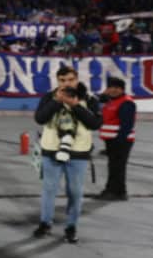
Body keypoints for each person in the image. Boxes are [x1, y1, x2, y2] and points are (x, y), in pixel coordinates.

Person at [33, 65, 102, 242]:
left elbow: (95, 123)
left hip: (78, 152)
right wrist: (56, 101)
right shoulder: (49, 97)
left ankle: (71, 227)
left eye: (70, 79)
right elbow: (40, 118)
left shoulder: (88, 98)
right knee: (49, 190)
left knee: (75, 192)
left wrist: (75, 105)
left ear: (77, 79)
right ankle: (45, 223)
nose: (66, 83)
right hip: (51, 150)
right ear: (57, 81)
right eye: (62, 80)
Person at [94, 76, 135, 200]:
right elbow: (96, 102)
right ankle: (116, 191)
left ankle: (115, 191)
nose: (113, 90)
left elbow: (127, 126)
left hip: (121, 141)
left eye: (117, 88)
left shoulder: (126, 102)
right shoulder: (110, 101)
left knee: (117, 167)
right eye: (111, 87)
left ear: (122, 89)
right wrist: (103, 96)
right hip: (111, 141)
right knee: (114, 167)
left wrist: (119, 141)